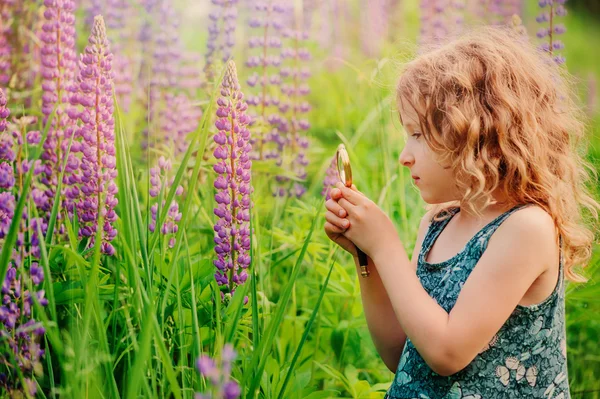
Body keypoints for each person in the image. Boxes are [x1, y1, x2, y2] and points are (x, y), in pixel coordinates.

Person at [324, 25, 599, 399]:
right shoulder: (438, 223)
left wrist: (386, 244)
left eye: (418, 135)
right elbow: (400, 351)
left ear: (477, 137)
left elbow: (447, 352)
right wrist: (367, 255)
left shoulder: (526, 229)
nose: (405, 156)